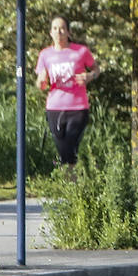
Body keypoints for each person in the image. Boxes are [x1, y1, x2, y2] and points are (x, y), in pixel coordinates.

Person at [34, 16, 99, 172]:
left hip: (77, 107)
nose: (59, 32)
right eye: (55, 29)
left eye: (62, 28)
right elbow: (40, 83)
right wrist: (42, 81)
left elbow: (96, 70)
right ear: (50, 33)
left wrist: (89, 76)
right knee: (62, 146)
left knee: (70, 143)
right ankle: (74, 181)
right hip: (54, 107)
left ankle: (71, 181)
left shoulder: (81, 51)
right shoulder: (45, 55)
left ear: (68, 32)